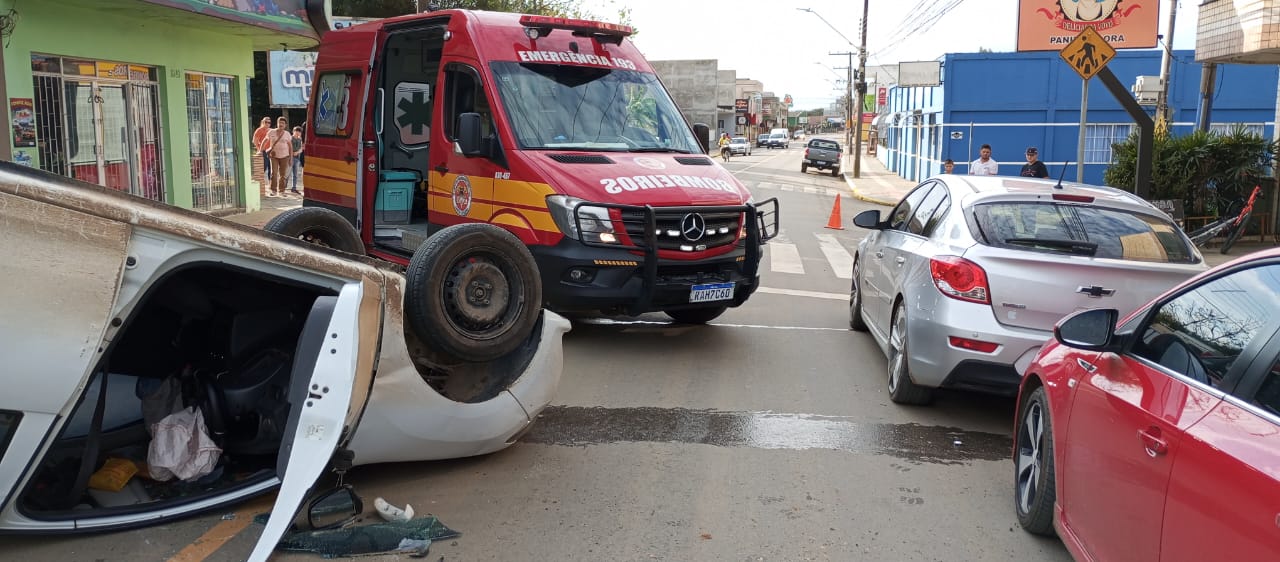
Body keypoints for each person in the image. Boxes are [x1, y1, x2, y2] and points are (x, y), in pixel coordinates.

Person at [266, 116, 293, 197]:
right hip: (274, 156)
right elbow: (265, 139)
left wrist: (291, 158)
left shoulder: (287, 134)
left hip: (285, 156)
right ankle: (273, 190)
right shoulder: (271, 132)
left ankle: (282, 191)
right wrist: (260, 150)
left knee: (283, 175)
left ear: (285, 125)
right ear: (277, 123)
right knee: (273, 173)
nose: (281, 124)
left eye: (282, 123)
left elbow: (290, 147)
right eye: (279, 122)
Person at [252, 117, 272, 183]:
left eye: (269, 122)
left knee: (271, 168)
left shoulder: (271, 130)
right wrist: (259, 150)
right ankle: (258, 183)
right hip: (263, 151)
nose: (267, 124)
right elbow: (254, 141)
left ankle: (270, 184)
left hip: (271, 151)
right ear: (263, 122)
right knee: (263, 167)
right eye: (266, 122)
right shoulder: (259, 130)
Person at [290, 126, 305, 194]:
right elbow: (289, 147)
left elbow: (301, 149)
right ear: (293, 131)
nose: (298, 133)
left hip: (297, 158)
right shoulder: (290, 138)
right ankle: (283, 188)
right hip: (290, 157)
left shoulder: (300, 139)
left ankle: (294, 188)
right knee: (287, 173)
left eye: (299, 131)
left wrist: (297, 152)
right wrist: (292, 153)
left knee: (295, 174)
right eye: (296, 131)